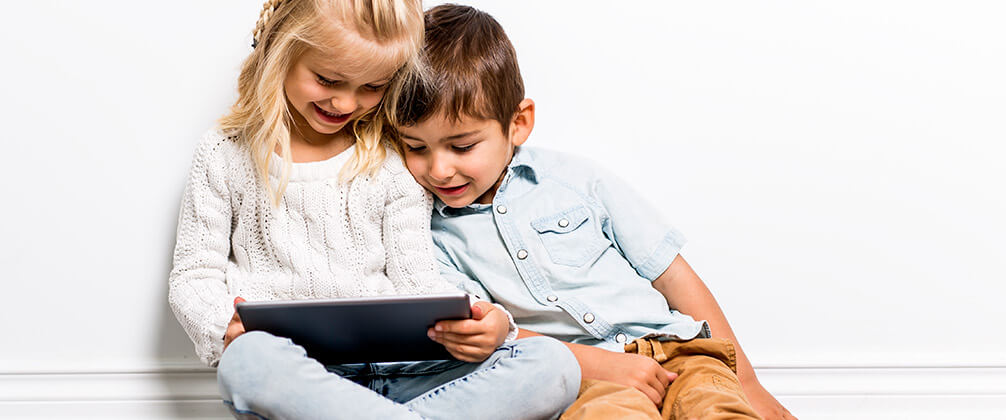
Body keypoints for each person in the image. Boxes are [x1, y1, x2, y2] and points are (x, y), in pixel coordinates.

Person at [167, 1, 580, 418]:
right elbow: (193, 273)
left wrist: (486, 320)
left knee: (553, 363)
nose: (346, 103)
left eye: (373, 86)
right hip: (306, 382)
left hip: (409, 371)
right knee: (248, 361)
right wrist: (223, 329)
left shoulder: (390, 159)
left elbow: (417, 278)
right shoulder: (223, 155)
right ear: (280, 51)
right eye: (328, 79)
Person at [392, 4, 798, 420]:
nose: (439, 169)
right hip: (587, 377)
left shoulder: (575, 182)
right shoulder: (428, 237)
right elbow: (495, 334)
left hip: (680, 352)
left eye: (462, 146)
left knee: (716, 409)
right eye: (415, 147)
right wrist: (598, 365)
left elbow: (672, 274)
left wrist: (747, 383)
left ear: (518, 123)